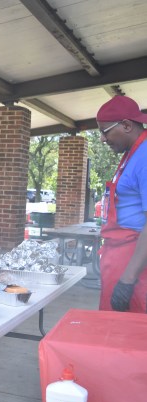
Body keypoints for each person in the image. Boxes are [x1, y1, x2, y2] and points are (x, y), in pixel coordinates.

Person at [95, 95, 147, 313]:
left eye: (105, 131)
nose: (102, 139)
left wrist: (127, 279)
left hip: (134, 267)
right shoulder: (131, 154)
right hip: (119, 259)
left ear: (126, 125)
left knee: (130, 340)